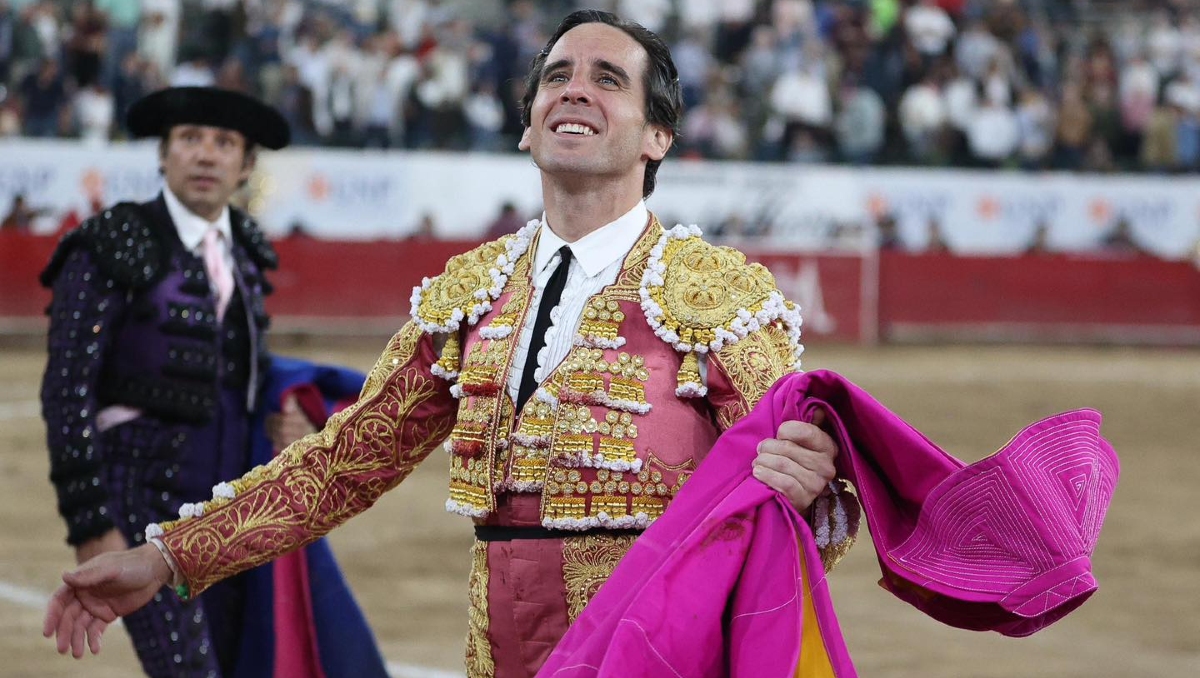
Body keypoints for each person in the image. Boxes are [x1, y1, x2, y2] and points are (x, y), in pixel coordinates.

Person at [43, 13, 851, 677]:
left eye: (609, 79)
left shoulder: (719, 298)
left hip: (651, 650)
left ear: (658, 137)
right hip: (496, 651)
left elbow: (811, 513)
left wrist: (812, 494)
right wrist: (164, 559)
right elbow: (340, 465)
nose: (575, 90)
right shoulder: (469, 294)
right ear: (530, 127)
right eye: (556, 77)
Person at [38, 86, 387, 678]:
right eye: (190, 139)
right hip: (140, 496)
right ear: (164, 155)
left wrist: (283, 415)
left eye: (224, 144)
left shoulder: (248, 255)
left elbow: (245, 376)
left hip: (227, 508)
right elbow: (66, 389)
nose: (206, 155)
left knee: (238, 661)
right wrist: (92, 523)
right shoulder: (113, 242)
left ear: (246, 165)